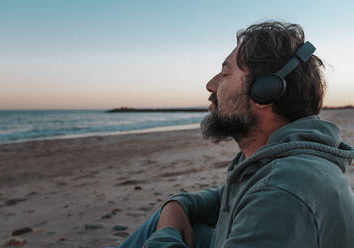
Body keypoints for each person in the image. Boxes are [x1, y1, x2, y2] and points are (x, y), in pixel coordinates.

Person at [118, 21, 354, 248]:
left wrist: (165, 233)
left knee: (159, 231)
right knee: (172, 221)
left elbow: (266, 195)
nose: (211, 85)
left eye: (225, 73)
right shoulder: (278, 163)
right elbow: (224, 200)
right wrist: (173, 207)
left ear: (265, 92)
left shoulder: (281, 191)